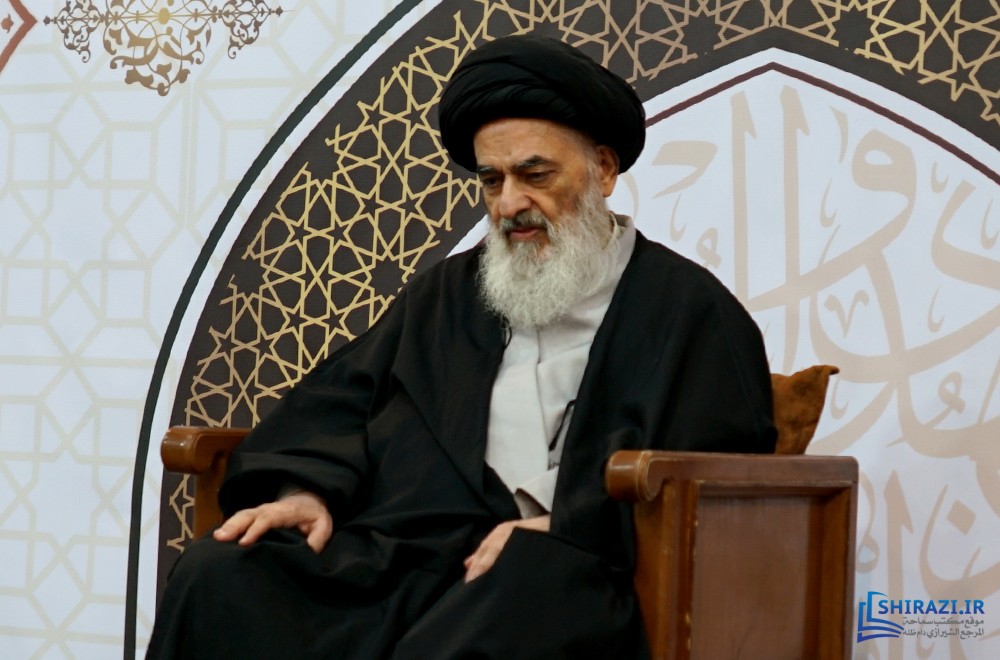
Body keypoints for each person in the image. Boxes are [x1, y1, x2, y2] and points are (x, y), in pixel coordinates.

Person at [147, 34, 776, 659]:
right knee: (218, 576)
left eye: (535, 175)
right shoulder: (447, 294)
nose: (509, 204)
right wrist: (305, 493)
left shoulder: (690, 311)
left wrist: (561, 525)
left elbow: (713, 482)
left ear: (604, 170)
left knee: (517, 593)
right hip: (410, 560)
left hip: (570, 569)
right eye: (491, 181)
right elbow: (336, 406)